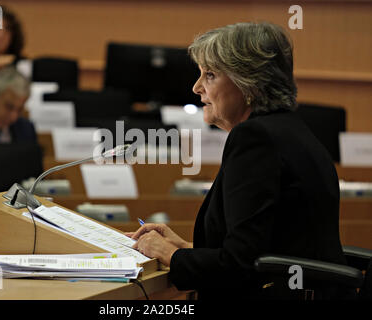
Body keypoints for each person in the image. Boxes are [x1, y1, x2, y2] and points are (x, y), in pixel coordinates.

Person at [127, 22, 351, 300]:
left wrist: (171, 255)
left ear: (249, 84)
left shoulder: (255, 138)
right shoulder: (290, 129)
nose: (196, 87)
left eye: (209, 75)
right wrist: (185, 248)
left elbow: (240, 265)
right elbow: (269, 246)